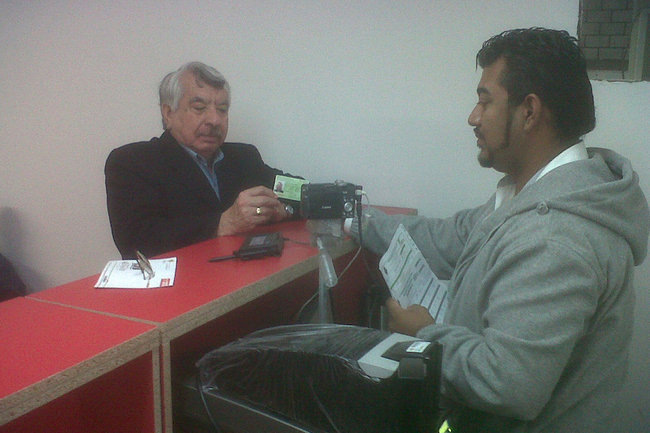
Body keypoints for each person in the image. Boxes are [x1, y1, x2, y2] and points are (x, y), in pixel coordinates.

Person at [349, 28, 650, 432]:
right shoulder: (529, 194)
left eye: (485, 101)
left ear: (529, 112)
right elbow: (447, 238)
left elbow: (507, 385)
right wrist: (352, 219)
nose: (473, 117)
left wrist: (425, 334)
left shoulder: (554, 238)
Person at [105, 62, 298, 259]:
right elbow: (137, 242)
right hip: (182, 277)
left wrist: (285, 210)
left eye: (222, 109)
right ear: (169, 114)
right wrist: (222, 224)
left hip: (251, 274)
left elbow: (297, 191)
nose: (214, 120)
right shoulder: (133, 163)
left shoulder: (244, 157)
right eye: (199, 108)